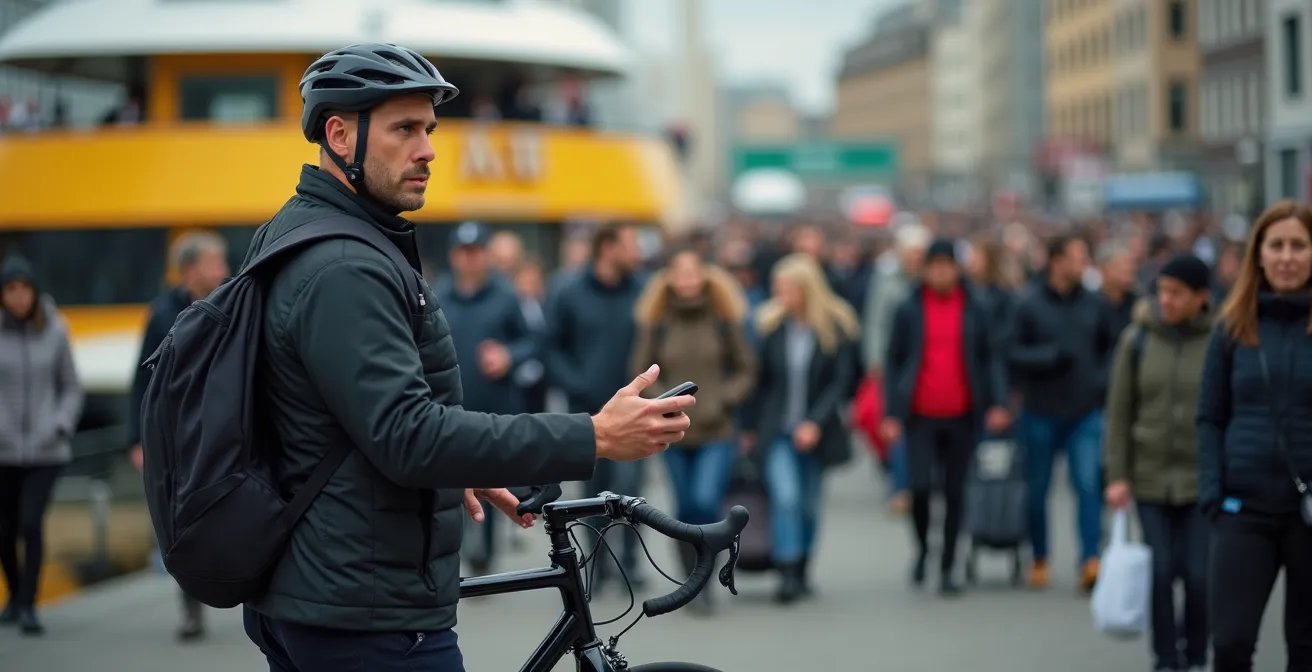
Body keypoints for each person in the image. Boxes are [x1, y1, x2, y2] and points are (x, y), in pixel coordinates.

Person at [237, 44, 695, 672]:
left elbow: (340, 419)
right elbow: (408, 435)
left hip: (328, 590)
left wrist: (459, 467)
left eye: (429, 129)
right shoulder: (344, 265)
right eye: (404, 129)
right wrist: (593, 435)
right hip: (366, 612)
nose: (428, 149)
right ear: (339, 136)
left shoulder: (306, 231)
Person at [1197, 201, 1312, 672]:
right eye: (1276, 245)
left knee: (1307, 649)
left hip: (1308, 514)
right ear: (1259, 255)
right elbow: (1210, 416)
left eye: (1299, 246)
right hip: (1242, 510)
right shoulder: (1232, 328)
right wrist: (1212, 492)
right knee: (1230, 642)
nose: (1287, 257)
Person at [628, 247, 757, 614]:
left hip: (717, 429)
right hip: (672, 430)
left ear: (704, 277)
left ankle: (706, 580)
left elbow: (746, 368)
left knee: (704, 500)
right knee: (683, 509)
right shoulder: (658, 321)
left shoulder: (722, 318)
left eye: (692, 273)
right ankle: (691, 582)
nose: (686, 280)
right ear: (669, 279)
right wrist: (664, 401)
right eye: (679, 273)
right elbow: (639, 371)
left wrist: (722, 398)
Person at [1104, 254, 1214, 672]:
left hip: (1201, 479)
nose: (1166, 300)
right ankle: (1166, 657)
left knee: (1199, 574)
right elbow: (1119, 412)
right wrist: (1117, 475)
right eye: (1162, 291)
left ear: (1200, 297)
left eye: (1176, 293)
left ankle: (1196, 652)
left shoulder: (1221, 340)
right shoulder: (1137, 340)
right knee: (1161, 569)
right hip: (1149, 477)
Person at [881, 239, 1010, 596]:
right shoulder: (909, 307)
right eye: (934, 266)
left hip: (962, 413)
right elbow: (894, 361)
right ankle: (924, 547)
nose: (940, 273)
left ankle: (949, 564)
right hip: (920, 414)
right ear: (924, 269)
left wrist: (998, 402)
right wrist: (891, 412)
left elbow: (991, 357)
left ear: (957, 268)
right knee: (920, 488)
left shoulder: (975, 306)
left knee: (955, 492)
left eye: (946, 265)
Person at [127, 230, 230, 641]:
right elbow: (141, 381)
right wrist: (137, 440)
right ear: (189, 269)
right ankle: (192, 609)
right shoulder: (161, 315)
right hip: (176, 435)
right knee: (183, 521)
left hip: (221, 429)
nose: (223, 270)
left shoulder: (231, 303)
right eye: (215, 262)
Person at [742, 253, 859, 604]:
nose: (781, 295)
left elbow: (841, 383)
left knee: (809, 505)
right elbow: (760, 383)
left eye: (787, 288)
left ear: (807, 289)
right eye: (778, 288)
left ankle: (804, 565)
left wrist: (815, 423)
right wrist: (748, 427)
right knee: (786, 498)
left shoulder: (835, 327)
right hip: (777, 431)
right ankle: (788, 571)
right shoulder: (770, 327)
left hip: (816, 433)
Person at [1009, 234, 1119, 592]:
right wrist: (1049, 356)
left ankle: (1090, 558)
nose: (1082, 264)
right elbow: (1012, 352)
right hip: (1040, 410)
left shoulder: (1095, 303)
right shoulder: (1028, 303)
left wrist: (1100, 383)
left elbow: (1111, 348)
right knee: (1037, 488)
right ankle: (1039, 557)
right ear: (1056, 261)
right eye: (1076, 257)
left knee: (1087, 484)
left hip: (1084, 411)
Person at [546, 222, 648, 593]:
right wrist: (577, 384)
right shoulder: (569, 291)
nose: (638, 252)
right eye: (631, 244)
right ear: (608, 248)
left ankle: (630, 565)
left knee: (631, 489)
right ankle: (596, 566)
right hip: (588, 413)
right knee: (593, 495)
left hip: (637, 412)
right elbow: (551, 346)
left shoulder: (643, 291)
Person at [431, 221, 538, 576]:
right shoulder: (438, 295)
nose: (469, 258)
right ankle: (455, 554)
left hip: (493, 410)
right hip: (448, 410)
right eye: (463, 252)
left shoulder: (506, 295)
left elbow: (532, 341)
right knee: (450, 485)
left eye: (476, 251)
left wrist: (509, 355)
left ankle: (484, 556)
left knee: (491, 485)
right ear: (453, 255)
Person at [0, 257, 83, 636]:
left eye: (24, 288)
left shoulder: (54, 328)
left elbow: (71, 385)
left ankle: (30, 604)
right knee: (4, 529)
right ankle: (15, 595)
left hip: (46, 449)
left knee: (30, 523)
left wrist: (60, 424)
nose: (18, 296)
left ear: (34, 291)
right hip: (3, 450)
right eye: (11, 289)